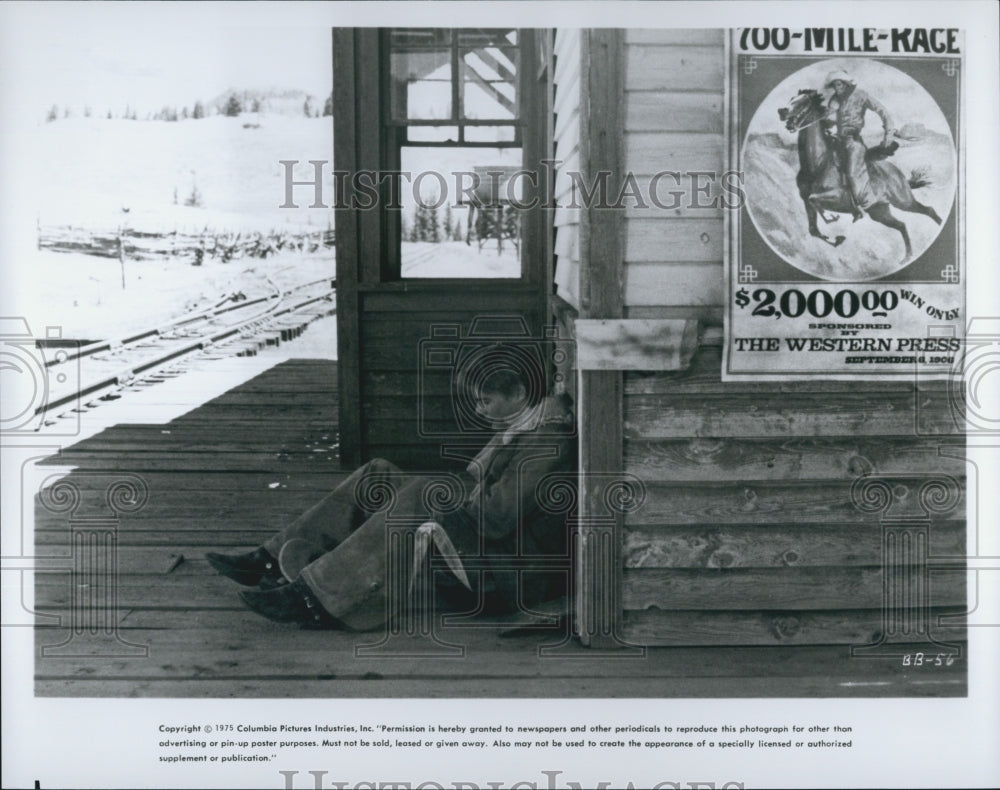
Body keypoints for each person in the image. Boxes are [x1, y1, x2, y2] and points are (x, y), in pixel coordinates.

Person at [206, 365, 576, 630]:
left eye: (486, 401)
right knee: (378, 472)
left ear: (520, 395)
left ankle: (317, 597)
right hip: (490, 551)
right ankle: (268, 560)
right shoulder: (524, 426)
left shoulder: (546, 443)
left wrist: (445, 502)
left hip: (506, 576)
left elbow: (497, 518)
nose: (479, 410)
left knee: (420, 494)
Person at [824, 69, 896, 216]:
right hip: (836, 140)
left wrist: (888, 136)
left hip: (853, 142)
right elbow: (829, 119)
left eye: (839, 84)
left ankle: (867, 204)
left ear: (846, 84)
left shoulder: (861, 95)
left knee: (852, 173)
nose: (837, 88)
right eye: (835, 86)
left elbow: (883, 112)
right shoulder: (834, 100)